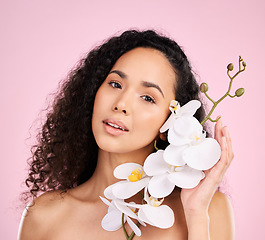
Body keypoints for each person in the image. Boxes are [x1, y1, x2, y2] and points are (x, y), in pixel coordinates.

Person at [18, 29, 234, 240]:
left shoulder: (207, 210)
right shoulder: (44, 216)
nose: (121, 104)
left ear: (171, 124)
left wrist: (196, 216)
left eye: (148, 98)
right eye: (115, 84)